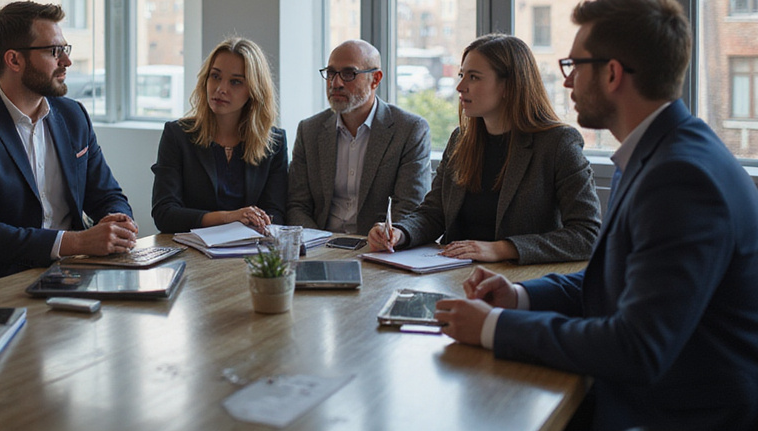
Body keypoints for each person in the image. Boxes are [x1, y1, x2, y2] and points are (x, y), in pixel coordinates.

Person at [434, 0, 758, 431]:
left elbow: (635, 347)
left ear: (612, 74)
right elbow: (614, 280)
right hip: (640, 404)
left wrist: (493, 328)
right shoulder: (655, 152)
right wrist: (520, 298)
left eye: (575, 64)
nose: (565, 79)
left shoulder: (682, 179)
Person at [0, 1, 136, 282]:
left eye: (65, 50)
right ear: (14, 60)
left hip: (73, 273)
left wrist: (118, 223)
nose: (66, 61)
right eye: (54, 51)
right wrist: (79, 242)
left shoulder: (73, 115)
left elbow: (107, 195)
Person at [367, 34, 600, 263]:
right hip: (455, 275)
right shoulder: (460, 140)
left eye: (474, 77)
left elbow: (587, 235)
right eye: (461, 75)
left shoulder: (559, 143)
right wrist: (399, 233)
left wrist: (503, 249)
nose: (460, 86)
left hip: (521, 282)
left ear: (509, 86)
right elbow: (433, 213)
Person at [287, 39, 431, 235]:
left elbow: (410, 207)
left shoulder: (409, 130)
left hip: (377, 248)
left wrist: (385, 238)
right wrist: (317, 244)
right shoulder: (309, 130)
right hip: (320, 244)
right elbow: (297, 205)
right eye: (330, 73)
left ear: (376, 79)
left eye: (348, 74)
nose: (335, 83)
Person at [151, 37, 288, 233]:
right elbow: (164, 214)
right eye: (215, 76)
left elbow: (276, 214)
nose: (221, 89)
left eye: (235, 82)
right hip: (192, 253)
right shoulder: (177, 135)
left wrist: (254, 223)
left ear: (254, 90)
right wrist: (230, 217)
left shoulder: (274, 142)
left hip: (250, 250)